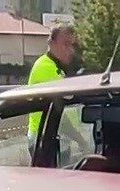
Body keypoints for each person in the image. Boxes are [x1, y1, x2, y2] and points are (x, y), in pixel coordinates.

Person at [27, 24, 81, 156]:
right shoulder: (45, 67)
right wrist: (82, 141)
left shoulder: (58, 67)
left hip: (57, 138)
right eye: (66, 44)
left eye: (72, 45)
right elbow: (58, 112)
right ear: (51, 44)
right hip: (44, 139)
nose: (71, 50)